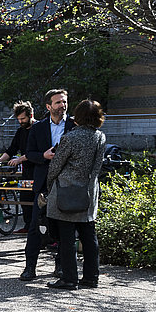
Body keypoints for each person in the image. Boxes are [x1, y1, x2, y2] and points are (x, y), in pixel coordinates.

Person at [45, 100, 106, 290]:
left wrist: (49, 186)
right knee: (89, 236)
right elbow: (97, 167)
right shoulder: (100, 137)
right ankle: (91, 277)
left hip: (66, 191)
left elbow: (56, 166)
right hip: (88, 191)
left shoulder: (70, 138)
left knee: (67, 238)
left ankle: (69, 279)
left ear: (78, 117)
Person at [20, 89, 74, 281]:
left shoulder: (74, 125)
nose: (62, 105)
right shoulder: (39, 128)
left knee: (63, 227)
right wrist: (43, 156)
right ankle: (30, 267)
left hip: (67, 184)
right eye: (58, 102)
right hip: (44, 184)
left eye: (64, 102)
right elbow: (30, 153)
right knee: (35, 226)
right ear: (48, 106)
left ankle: (60, 266)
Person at [0, 101, 36, 231]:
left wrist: (20, 159)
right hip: (26, 170)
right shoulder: (21, 131)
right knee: (25, 198)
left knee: (38, 200)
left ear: (31, 115)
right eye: (18, 119)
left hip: (39, 170)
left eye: (23, 118)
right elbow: (12, 149)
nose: (21, 121)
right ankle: (28, 225)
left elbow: (38, 152)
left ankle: (38, 227)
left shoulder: (39, 128)